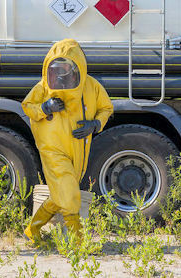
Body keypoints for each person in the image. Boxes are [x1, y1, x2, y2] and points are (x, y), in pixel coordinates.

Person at [22, 38, 113, 242]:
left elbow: (106, 108)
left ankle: (32, 229)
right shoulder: (43, 87)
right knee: (70, 194)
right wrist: (45, 108)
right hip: (52, 148)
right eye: (57, 66)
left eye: (67, 66)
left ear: (77, 66)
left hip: (78, 150)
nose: (62, 71)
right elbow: (28, 106)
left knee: (61, 193)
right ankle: (76, 240)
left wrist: (95, 124)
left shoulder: (91, 86)